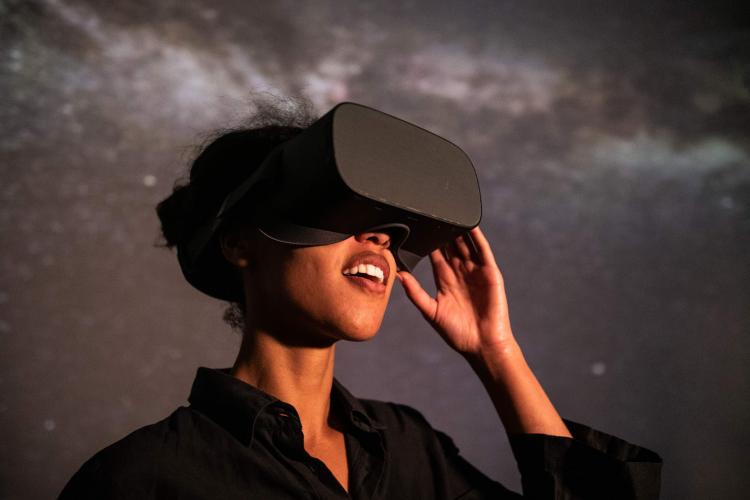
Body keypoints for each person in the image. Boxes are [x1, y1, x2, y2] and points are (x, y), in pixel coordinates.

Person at [59, 100, 662, 499]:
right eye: (339, 211)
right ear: (242, 243)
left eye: (392, 226)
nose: (382, 236)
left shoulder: (408, 447)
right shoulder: (142, 480)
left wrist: (496, 352)